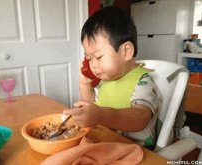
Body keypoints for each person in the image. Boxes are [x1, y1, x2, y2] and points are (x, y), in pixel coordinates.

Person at [63, 6, 161, 149]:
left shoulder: (142, 82)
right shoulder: (106, 80)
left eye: (98, 57)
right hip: (106, 142)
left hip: (134, 149)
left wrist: (101, 116)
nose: (93, 65)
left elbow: (140, 119)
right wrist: (84, 84)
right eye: (88, 58)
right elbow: (90, 105)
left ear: (126, 51)